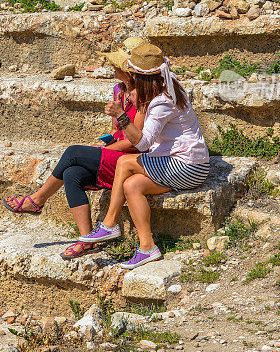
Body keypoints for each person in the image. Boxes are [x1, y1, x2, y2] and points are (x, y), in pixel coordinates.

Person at [2, 37, 146, 260]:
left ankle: (37, 200)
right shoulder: (119, 90)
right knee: (72, 173)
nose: (113, 67)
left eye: (117, 64)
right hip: (117, 151)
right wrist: (105, 145)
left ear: (130, 71)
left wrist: (105, 149)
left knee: (73, 153)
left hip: (132, 160)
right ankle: (87, 239)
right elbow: (117, 131)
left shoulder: (143, 96)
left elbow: (134, 141)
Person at [78, 42, 210, 270]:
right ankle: (148, 247)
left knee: (124, 161)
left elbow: (143, 143)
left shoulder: (161, 102)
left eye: (134, 75)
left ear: (143, 78)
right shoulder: (168, 86)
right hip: (184, 164)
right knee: (132, 185)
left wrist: (122, 116)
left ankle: (109, 224)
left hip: (188, 166)